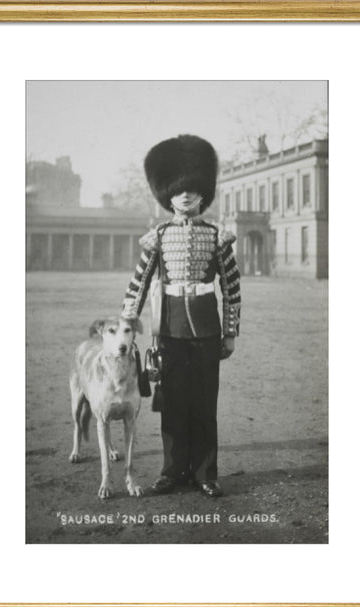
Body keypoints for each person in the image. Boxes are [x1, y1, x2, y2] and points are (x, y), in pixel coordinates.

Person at [121, 134, 241, 498]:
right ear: (167, 196)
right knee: (172, 405)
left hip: (206, 330)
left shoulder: (217, 236)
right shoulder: (157, 236)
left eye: (192, 188)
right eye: (178, 189)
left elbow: (232, 287)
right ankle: (172, 470)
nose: (186, 195)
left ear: (203, 194)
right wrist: (128, 322)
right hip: (169, 331)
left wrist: (230, 332)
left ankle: (206, 472)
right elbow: (139, 282)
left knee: (205, 404)